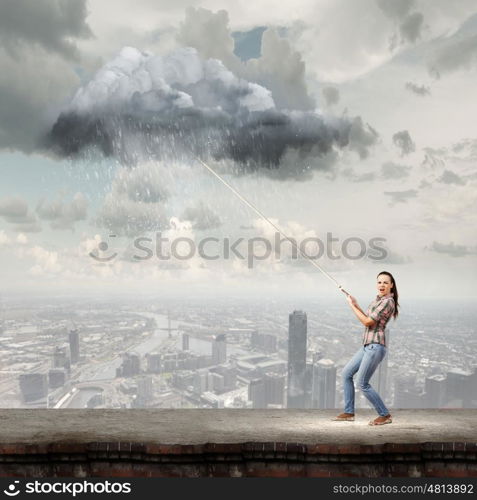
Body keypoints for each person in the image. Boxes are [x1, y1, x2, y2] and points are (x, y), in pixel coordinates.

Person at [333, 271, 399, 426]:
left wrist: (351, 306)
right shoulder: (378, 300)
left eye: (385, 282)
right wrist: (355, 304)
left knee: (362, 383)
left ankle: (385, 414)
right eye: (379, 282)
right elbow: (367, 318)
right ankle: (349, 412)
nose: (381, 285)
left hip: (375, 346)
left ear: (391, 285)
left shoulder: (388, 302)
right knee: (346, 374)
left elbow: (367, 322)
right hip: (367, 345)